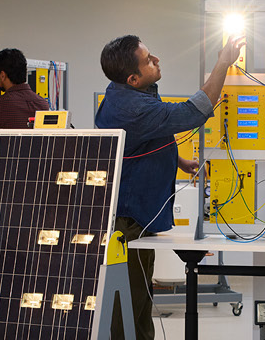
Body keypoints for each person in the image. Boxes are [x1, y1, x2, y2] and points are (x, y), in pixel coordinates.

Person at [95, 34, 244, 340]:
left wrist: (176, 160)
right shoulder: (133, 106)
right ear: (133, 78)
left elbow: (142, 139)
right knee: (128, 308)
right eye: (149, 60)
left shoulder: (127, 91)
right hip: (127, 225)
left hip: (139, 220)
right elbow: (194, 111)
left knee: (140, 302)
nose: (157, 59)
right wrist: (222, 63)